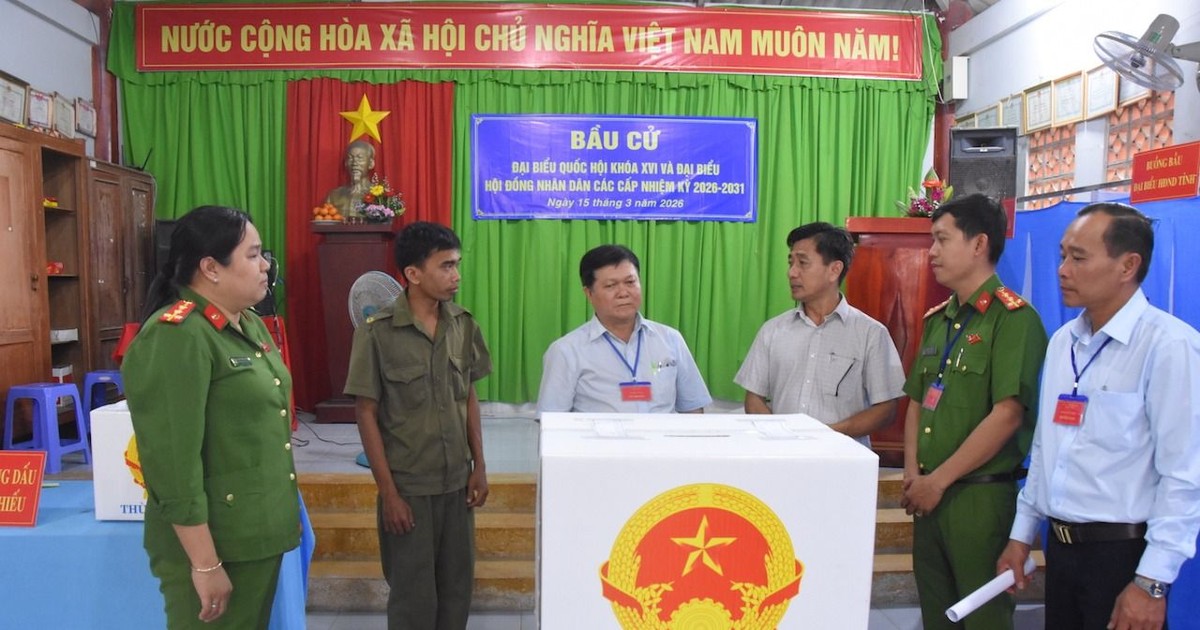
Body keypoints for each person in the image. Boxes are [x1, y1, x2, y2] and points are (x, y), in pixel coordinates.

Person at [997, 203, 1200, 630]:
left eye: (1079, 258)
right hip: (1062, 550)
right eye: (1062, 255)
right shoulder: (1063, 342)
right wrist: (1022, 533)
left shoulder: (1169, 346)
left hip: (1123, 557)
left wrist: (1151, 582)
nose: (1062, 270)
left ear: (1128, 265)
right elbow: (1045, 448)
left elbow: (1184, 476)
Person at [123, 205, 300, 628]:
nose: (266, 265)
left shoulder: (249, 324)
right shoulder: (177, 335)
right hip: (216, 544)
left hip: (257, 533)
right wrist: (205, 563)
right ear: (210, 268)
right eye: (253, 255)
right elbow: (172, 464)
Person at [901, 193, 1048, 630]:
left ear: (979, 244)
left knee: (983, 618)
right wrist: (912, 474)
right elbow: (916, 401)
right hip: (928, 497)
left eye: (942, 239)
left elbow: (1008, 414)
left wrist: (938, 481)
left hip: (979, 499)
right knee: (937, 615)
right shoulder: (938, 320)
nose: (932, 251)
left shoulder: (1013, 319)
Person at [343, 221, 492, 629]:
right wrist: (389, 493)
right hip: (409, 487)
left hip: (457, 485)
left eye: (457, 264)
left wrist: (479, 465)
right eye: (446, 266)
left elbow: (469, 397)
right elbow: (366, 412)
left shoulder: (463, 324)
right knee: (413, 598)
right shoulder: (378, 333)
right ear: (412, 273)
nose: (456, 275)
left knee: (457, 591)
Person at [735, 222, 905, 446]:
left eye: (802, 263)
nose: (792, 273)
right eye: (790, 262)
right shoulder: (773, 330)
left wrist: (826, 434)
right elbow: (754, 397)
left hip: (843, 457)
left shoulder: (871, 334)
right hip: (782, 456)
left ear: (834, 270)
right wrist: (779, 439)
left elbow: (886, 409)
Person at [537, 244, 712, 414]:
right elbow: (551, 420)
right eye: (610, 285)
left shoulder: (670, 339)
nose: (623, 293)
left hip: (662, 435)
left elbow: (693, 408)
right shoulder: (566, 351)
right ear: (589, 293)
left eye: (630, 282)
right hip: (600, 435)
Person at [326, 139, 375, 217]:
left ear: (371, 164)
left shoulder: (381, 197)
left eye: (360, 158)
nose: (354, 163)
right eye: (350, 158)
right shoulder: (334, 196)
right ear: (346, 163)